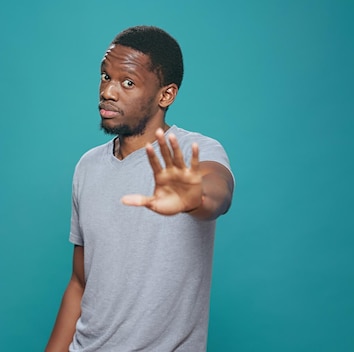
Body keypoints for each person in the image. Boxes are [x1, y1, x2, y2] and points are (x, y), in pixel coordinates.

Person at [45, 25, 235, 352]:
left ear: (166, 95)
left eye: (128, 82)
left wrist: (195, 197)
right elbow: (79, 283)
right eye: (106, 77)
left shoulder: (196, 151)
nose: (109, 91)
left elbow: (218, 191)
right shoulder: (87, 167)